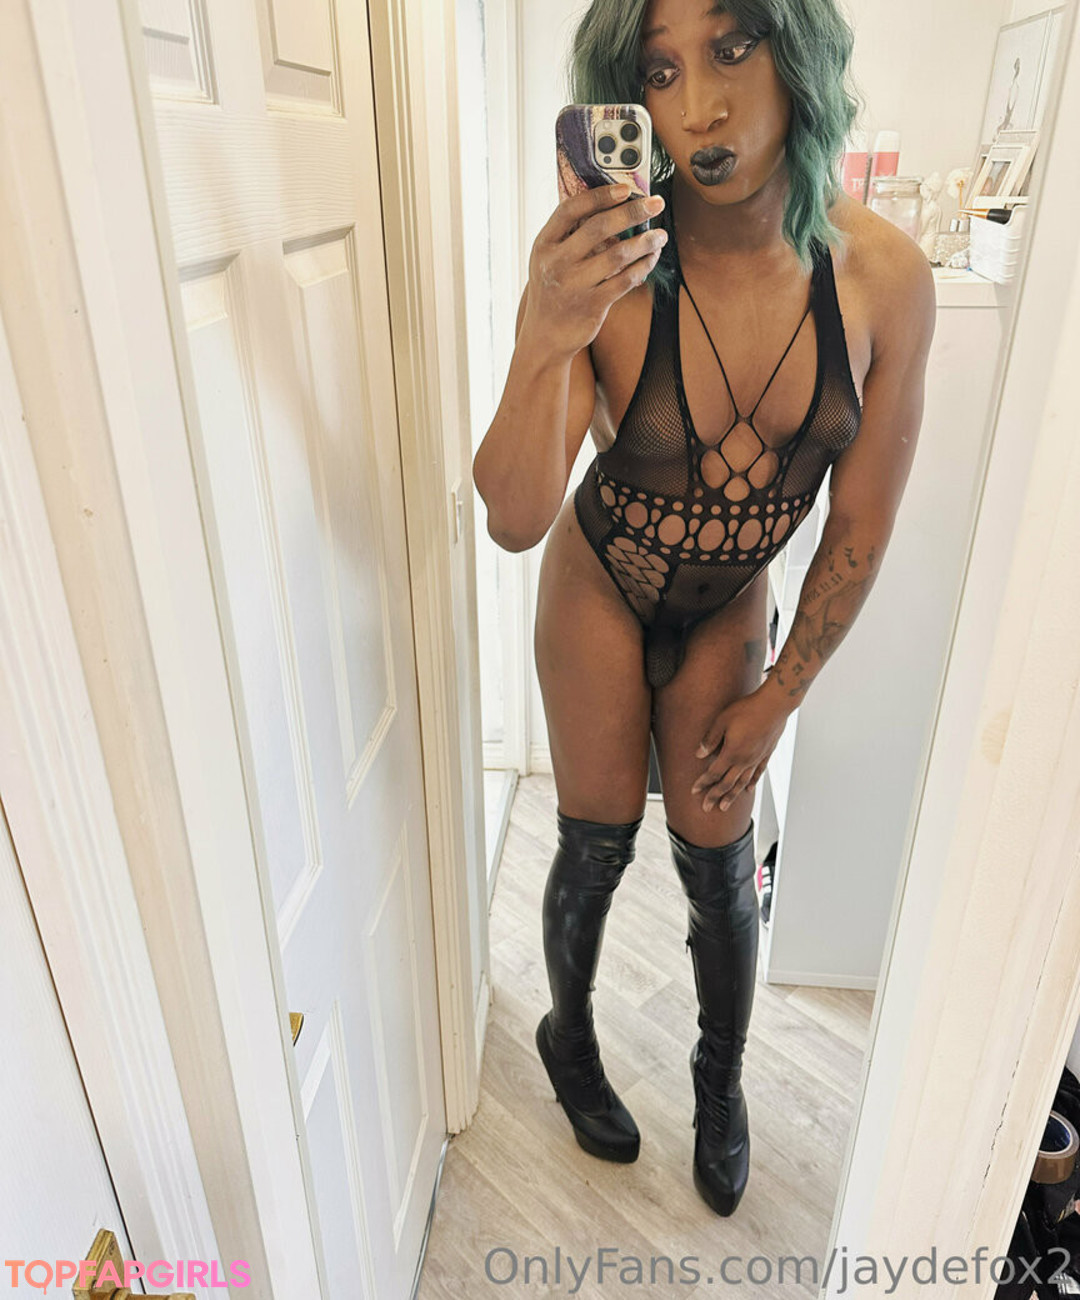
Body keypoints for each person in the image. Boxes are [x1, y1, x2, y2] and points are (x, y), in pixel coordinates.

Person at [472, 0, 935, 1217]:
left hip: (733, 600)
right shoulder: (608, 270)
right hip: (601, 577)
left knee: (720, 866)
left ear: (798, 48)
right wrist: (544, 335)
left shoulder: (883, 279)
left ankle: (718, 1083)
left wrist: (781, 696)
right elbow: (514, 517)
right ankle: (569, 1036)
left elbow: (860, 525)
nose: (700, 107)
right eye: (659, 71)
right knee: (595, 842)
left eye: (734, 47)